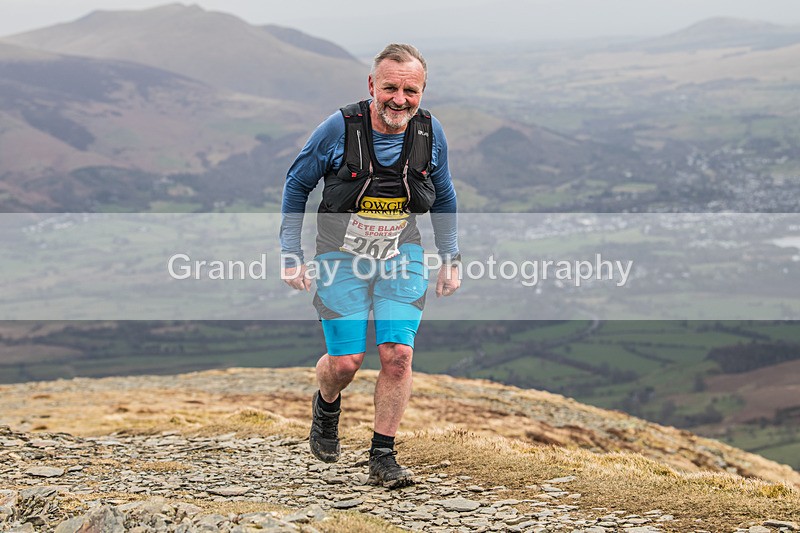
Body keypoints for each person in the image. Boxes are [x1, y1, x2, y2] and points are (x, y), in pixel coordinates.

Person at [280, 43, 460, 489]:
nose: (399, 99)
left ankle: (383, 456)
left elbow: (446, 196)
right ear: (371, 86)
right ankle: (326, 402)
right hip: (338, 256)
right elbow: (296, 185)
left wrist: (450, 258)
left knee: (397, 355)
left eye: (410, 90)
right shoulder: (337, 129)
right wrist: (290, 254)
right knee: (345, 363)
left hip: (402, 253)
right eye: (390, 88)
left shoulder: (430, 132)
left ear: (422, 91)